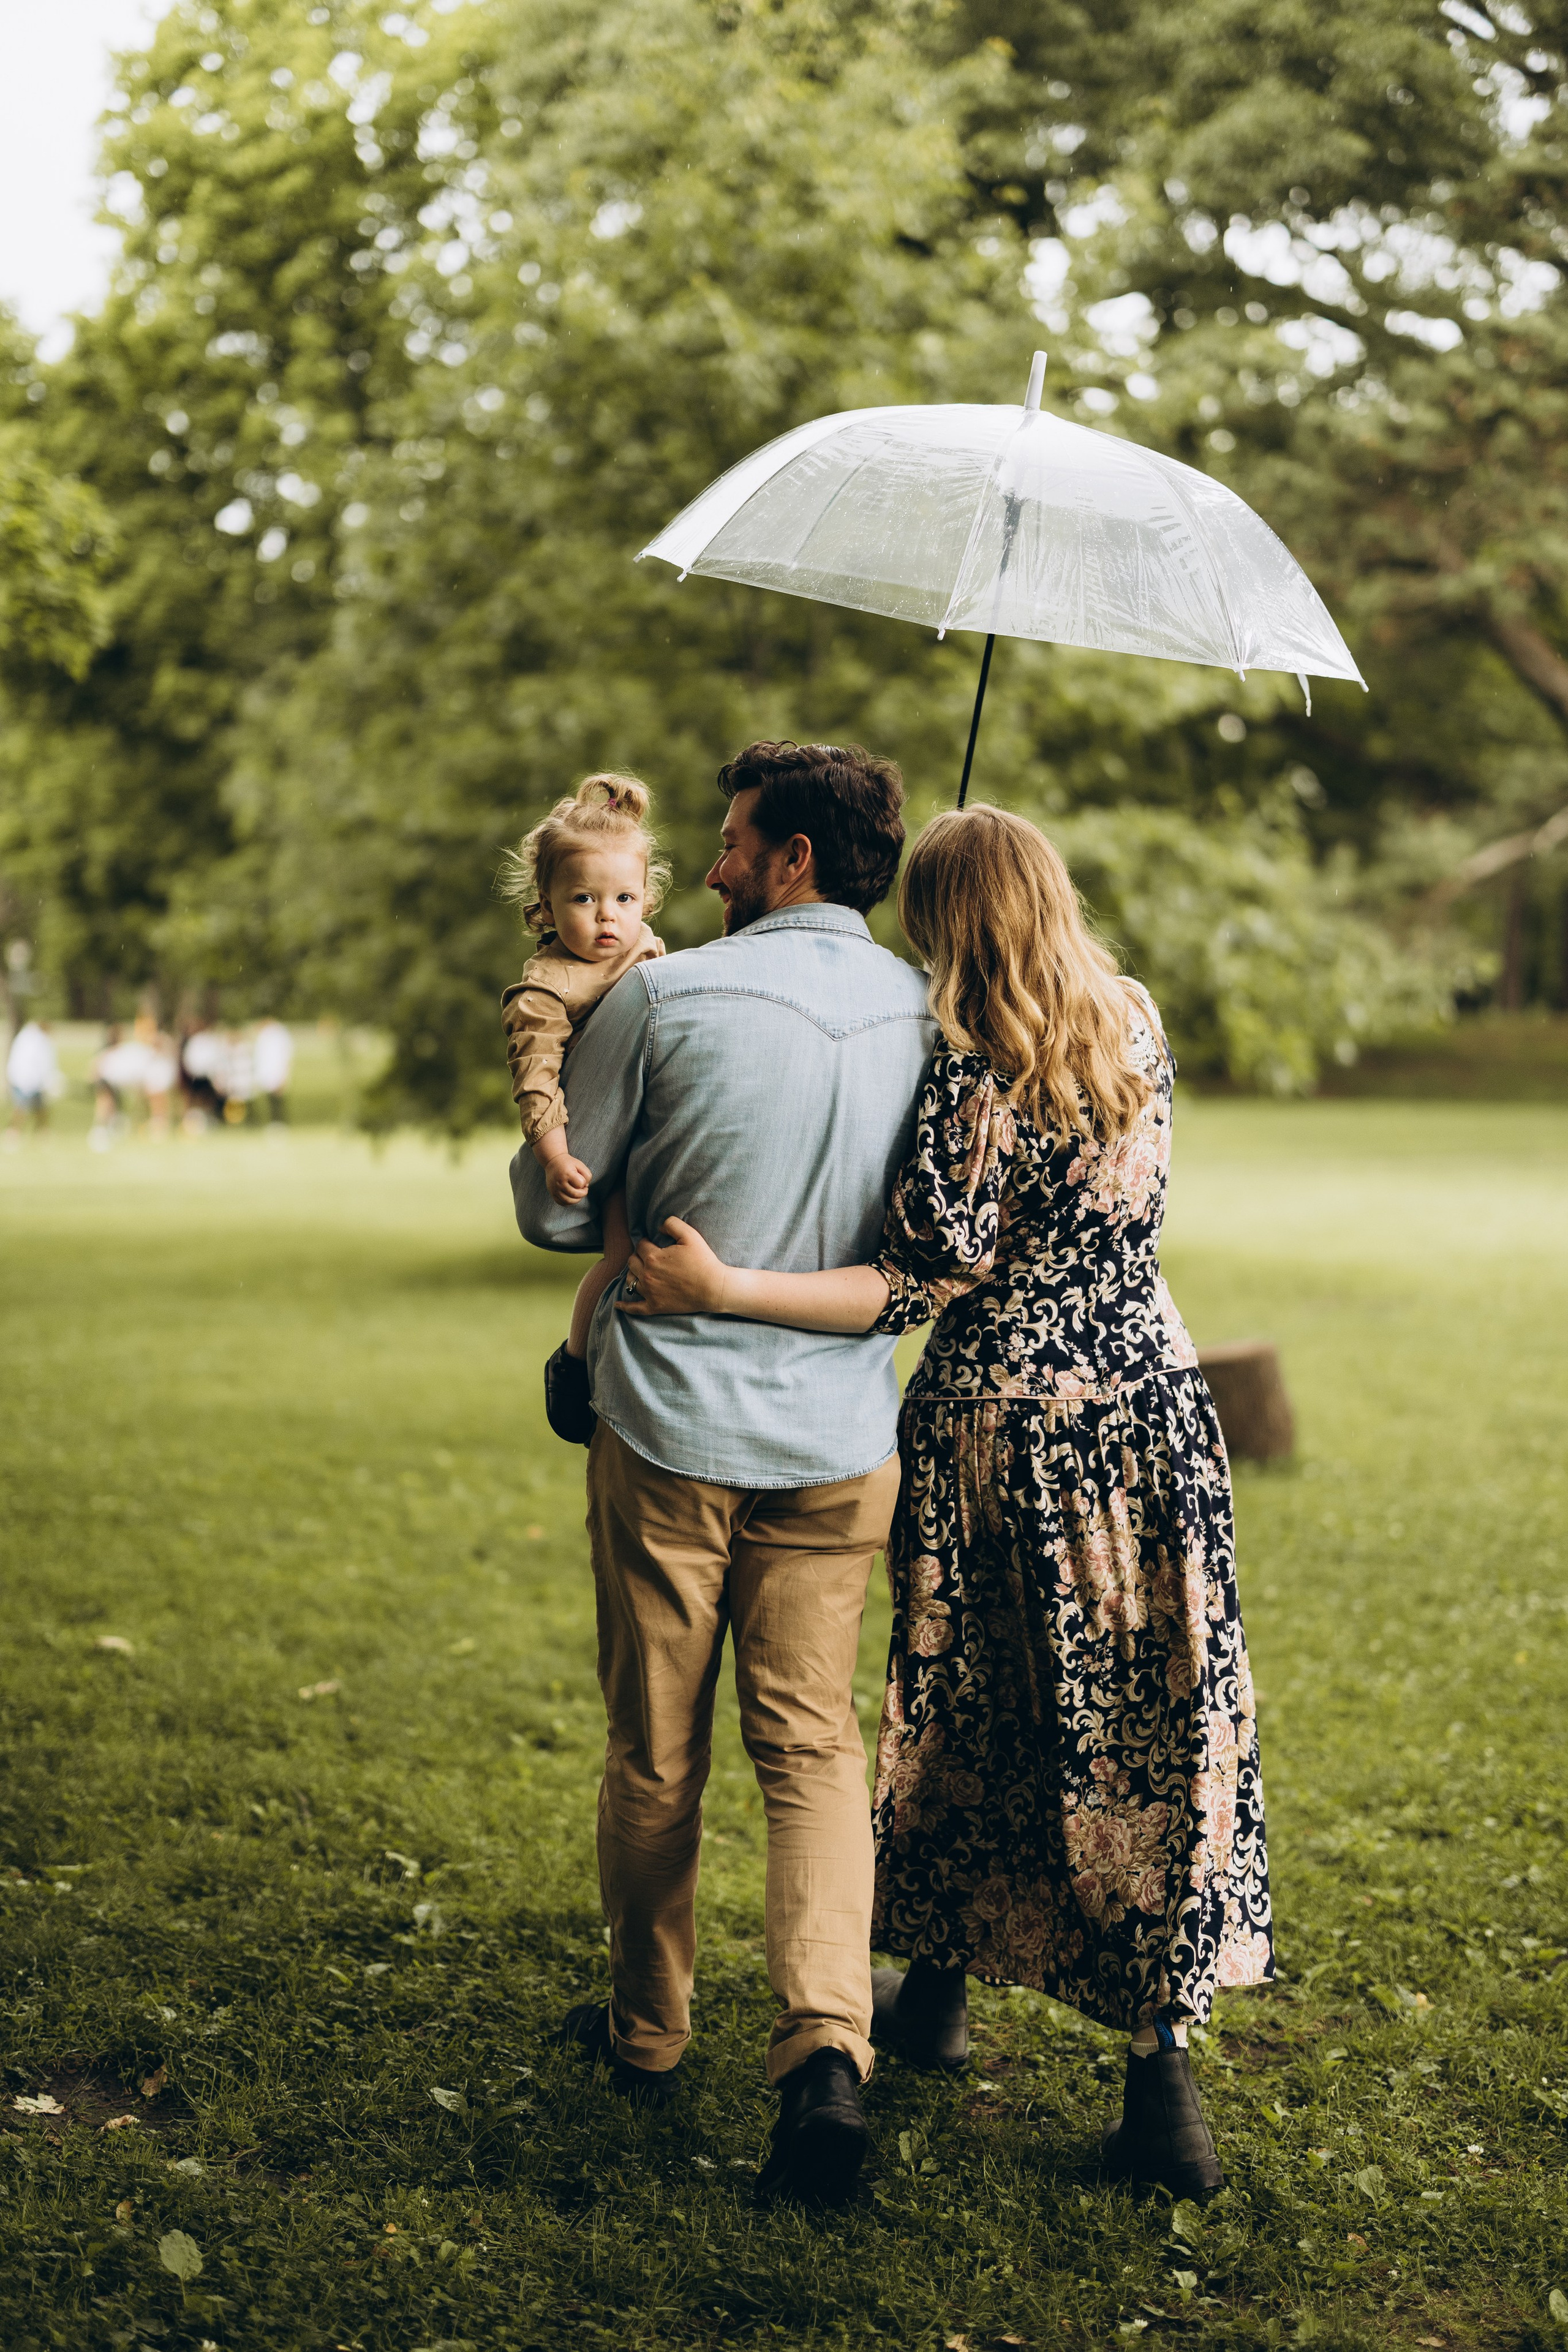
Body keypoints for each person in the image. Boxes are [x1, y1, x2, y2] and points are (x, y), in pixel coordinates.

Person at [620, 804, 1272, 2203]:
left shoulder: (963, 1062)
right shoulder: (1134, 1015)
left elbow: (916, 1278)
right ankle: (1074, 2042)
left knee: (969, 1704)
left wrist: (726, 1284)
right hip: (1152, 1404)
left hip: (997, 1427)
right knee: (1142, 1721)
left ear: (940, 918)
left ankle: (1066, 2047)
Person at [510, 741, 933, 2209]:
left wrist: (576, 1151)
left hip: (674, 1434)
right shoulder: (927, 1009)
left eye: (735, 840)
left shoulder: (662, 994)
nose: (705, 866)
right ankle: (826, 2045)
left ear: (794, 857)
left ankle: (647, 2027)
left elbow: (556, 1220)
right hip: (836, 1443)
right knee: (814, 1749)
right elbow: (919, 1244)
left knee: (656, 1746)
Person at [499, 775, 668, 1435]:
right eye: (584, 899)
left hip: (662, 1128)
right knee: (623, 1259)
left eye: (624, 898)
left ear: (646, 897)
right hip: (604, 1144)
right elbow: (536, 1078)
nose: (608, 917)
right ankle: (573, 1362)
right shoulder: (546, 988)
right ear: (544, 905)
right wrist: (554, 1154)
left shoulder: (649, 947)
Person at [6, 1018, 62, 1139]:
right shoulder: (35, 1040)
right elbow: (40, 1062)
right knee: (22, 1107)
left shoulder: (29, 1037)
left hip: (32, 1080)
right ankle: (14, 1132)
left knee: (40, 1108)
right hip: (26, 1080)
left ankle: (42, 1132)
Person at [252, 1016, 294, 1124]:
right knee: (270, 1099)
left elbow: (285, 1056)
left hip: (277, 1072)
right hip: (268, 1072)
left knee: (277, 1100)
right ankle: (274, 1122)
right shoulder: (264, 1035)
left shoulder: (280, 1035)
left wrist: (283, 1075)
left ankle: (279, 1122)